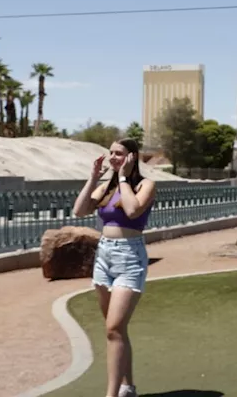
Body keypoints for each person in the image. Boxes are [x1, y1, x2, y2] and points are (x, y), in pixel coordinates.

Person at [72, 138, 156, 397]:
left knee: (114, 328)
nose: (112, 157)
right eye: (111, 153)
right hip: (105, 256)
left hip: (130, 257)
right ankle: (127, 387)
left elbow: (132, 210)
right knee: (115, 331)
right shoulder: (106, 187)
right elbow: (79, 210)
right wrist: (93, 178)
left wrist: (122, 178)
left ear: (132, 156)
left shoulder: (146, 184)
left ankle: (112, 394)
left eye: (118, 153)